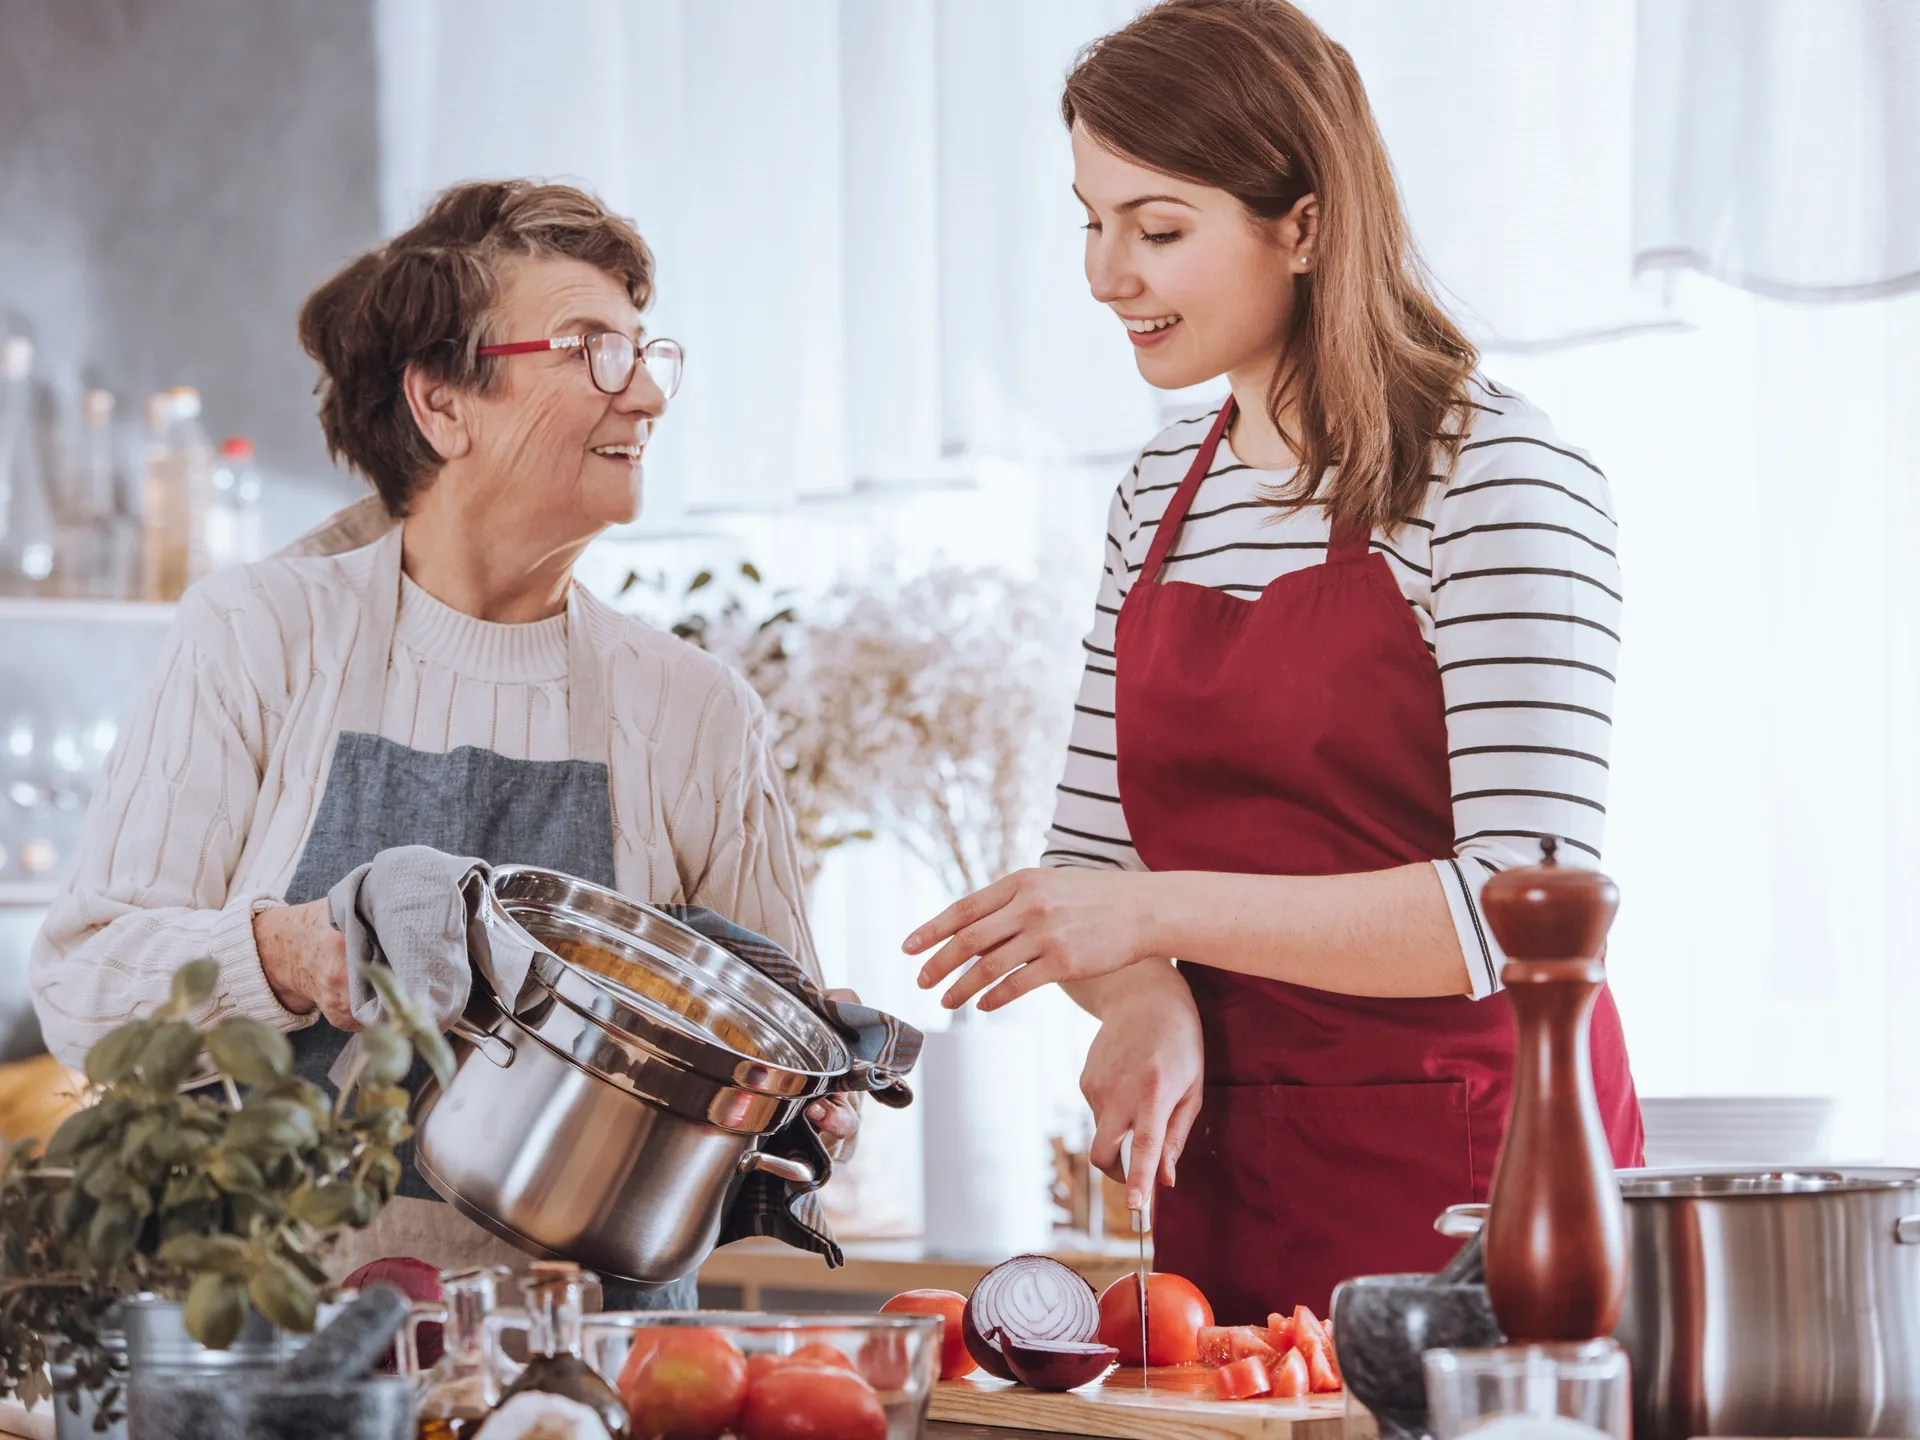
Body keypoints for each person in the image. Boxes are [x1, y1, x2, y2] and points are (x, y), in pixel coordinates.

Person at [906, 0, 1642, 1320]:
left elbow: (1521, 908)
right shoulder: (1157, 496)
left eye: (1160, 227)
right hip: (1227, 1185)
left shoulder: (1498, 476)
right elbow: (1093, 869)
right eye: (1092, 217)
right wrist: (1140, 1001)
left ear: (1302, 225)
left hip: (1474, 1191)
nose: (1104, 273)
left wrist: (1158, 919)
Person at [31, 180, 856, 1305]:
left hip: (593, 1383)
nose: (650, 391)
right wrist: (292, 951)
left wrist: (809, 1099)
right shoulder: (263, 635)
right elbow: (80, 990)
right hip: (283, 1357)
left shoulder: (694, 706)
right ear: (442, 403)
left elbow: (777, 1057)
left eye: (646, 350)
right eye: (591, 350)